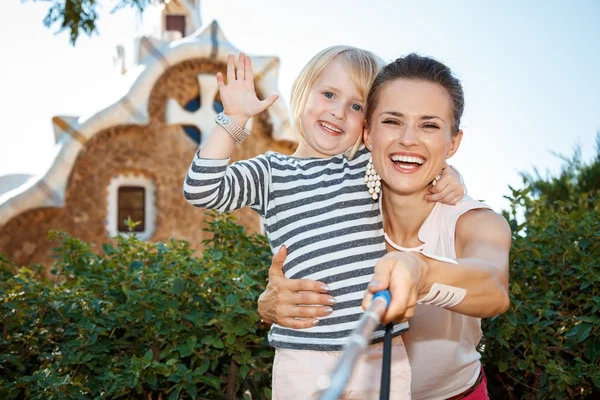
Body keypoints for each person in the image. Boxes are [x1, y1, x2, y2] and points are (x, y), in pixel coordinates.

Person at [183, 47, 465, 399]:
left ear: (368, 125)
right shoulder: (271, 173)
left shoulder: (368, 166)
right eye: (329, 94)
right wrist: (234, 119)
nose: (338, 111)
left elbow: (413, 161)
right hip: (302, 353)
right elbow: (201, 190)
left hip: (379, 348)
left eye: (357, 106)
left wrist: (448, 175)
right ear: (304, 91)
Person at [258, 54, 511, 400]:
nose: (409, 139)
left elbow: (493, 288)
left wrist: (421, 272)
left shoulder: (474, 221)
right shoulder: (336, 209)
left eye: (430, 125)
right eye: (393, 121)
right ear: (367, 133)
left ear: (453, 143)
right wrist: (269, 306)